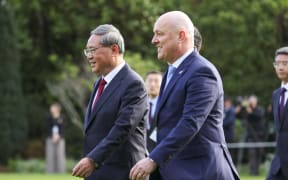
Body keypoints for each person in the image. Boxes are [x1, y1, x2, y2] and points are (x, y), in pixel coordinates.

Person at [130, 11, 239, 180]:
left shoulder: (202, 71)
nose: (154, 40)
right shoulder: (171, 72)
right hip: (176, 171)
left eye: (159, 34)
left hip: (201, 172)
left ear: (181, 36)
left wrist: (153, 159)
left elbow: (190, 122)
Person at [72, 24, 148, 180]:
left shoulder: (134, 84)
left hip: (124, 174)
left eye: (93, 50)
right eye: (87, 51)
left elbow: (123, 128)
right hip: (98, 173)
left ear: (114, 50)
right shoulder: (99, 83)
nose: (89, 56)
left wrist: (93, 159)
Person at [267, 46, 288, 180]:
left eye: (285, 63)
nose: (280, 67)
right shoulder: (276, 95)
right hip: (278, 165)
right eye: (277, 63)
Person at [145, 71, 162, 180]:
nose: (152, 84)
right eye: (150, 81)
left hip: (160, 158)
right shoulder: (139, 104)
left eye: (156, 81)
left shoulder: (167, 105)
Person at [246, 95, 265, 175]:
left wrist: (251, 112)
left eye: (253, 100)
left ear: (256, 101)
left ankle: (256, 171)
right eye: (250, 101)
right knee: (252, 154)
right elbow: (241, 116)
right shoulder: (247, 110)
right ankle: (252, 171)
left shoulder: (260, 109)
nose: (251, 102)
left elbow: (259, 116)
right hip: (251, 136)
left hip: (259, 135)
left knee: (259, 154)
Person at [46, 102, 66, 173]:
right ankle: (50, 172)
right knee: (50, 156)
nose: (51, 109)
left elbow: (63, 128)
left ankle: (61, 172)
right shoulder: (49, 118)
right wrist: (52, 136)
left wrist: (58, 136)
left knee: (60, 155)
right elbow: (48, 128)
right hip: (50, 139)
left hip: (60, 139)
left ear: (57, 109)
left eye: (53, 107)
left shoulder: (62, 117)